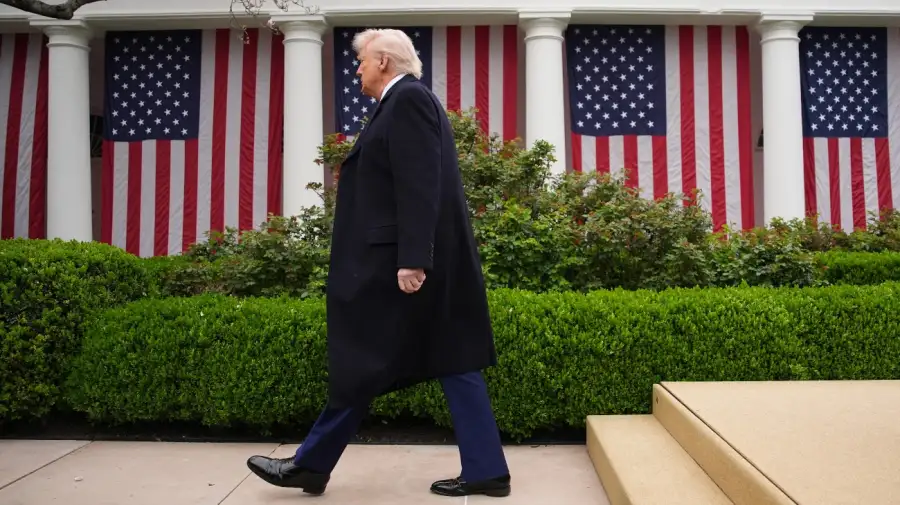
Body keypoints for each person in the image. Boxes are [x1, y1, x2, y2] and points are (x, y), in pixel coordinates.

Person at [245, 28, 511, 498]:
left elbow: (419, 183)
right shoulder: (404, 103)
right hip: (411, 261)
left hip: (401, 266)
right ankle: (486, 469)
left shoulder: (407, 101)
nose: (357, 70)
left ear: (384, 61)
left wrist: (413, 259)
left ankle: (310, 464)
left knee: (367, 359)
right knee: (448, 358)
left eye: (362, 61)